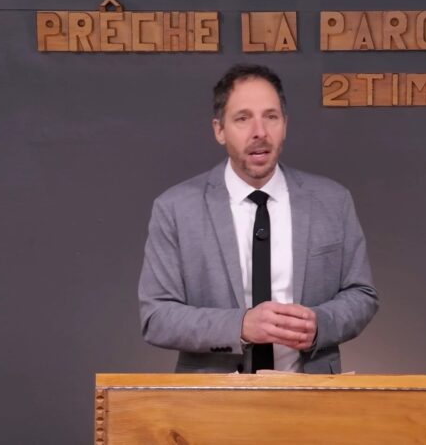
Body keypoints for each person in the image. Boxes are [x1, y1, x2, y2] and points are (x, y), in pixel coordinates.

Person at [138, 64, 378, 373]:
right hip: (212, 398)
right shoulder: (174, 209)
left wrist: (322, 324)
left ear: (285, 125)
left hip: (311, 394)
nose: (260, 132)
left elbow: (362, 294)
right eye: (243, 118)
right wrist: (240, 325)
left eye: (271, 117)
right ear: (219, 130)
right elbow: (156, 317)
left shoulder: (333, 201)